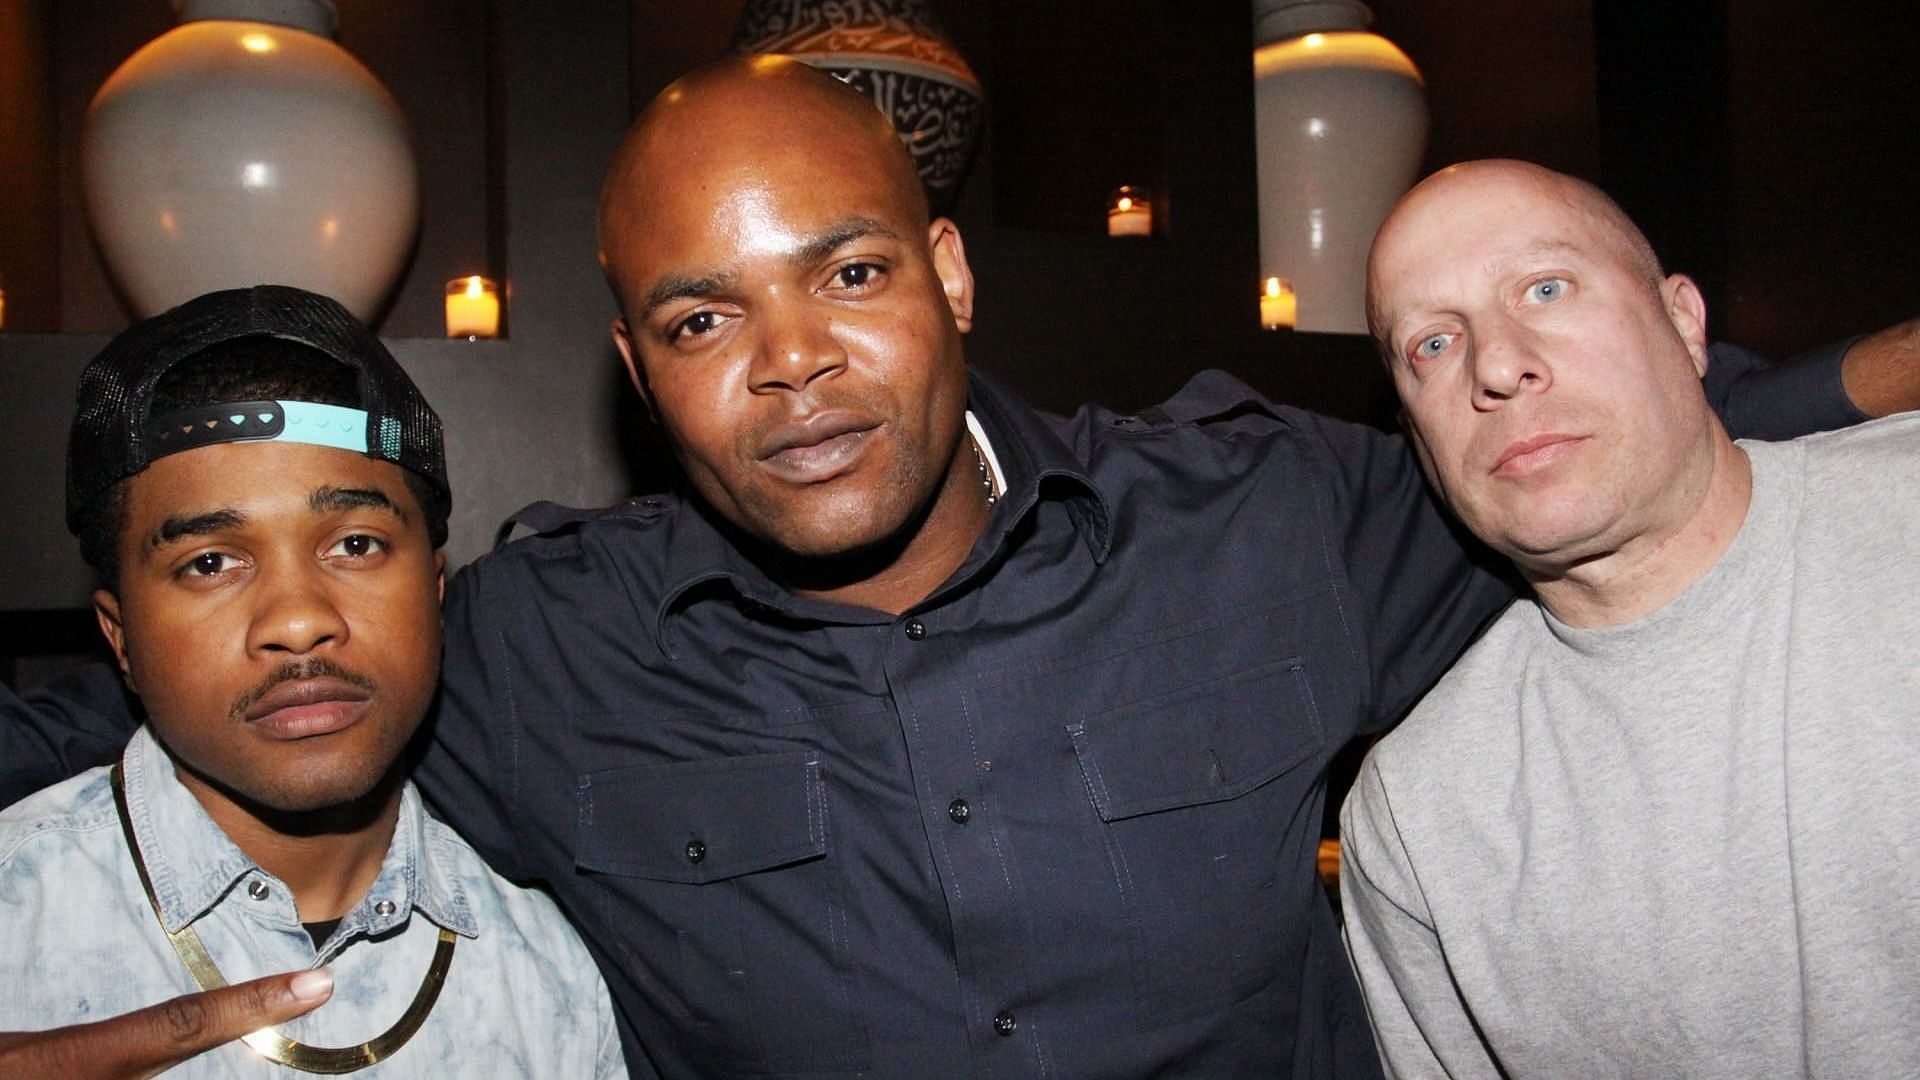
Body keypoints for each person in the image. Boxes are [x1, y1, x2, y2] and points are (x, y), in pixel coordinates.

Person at [1, 60, 1908, 1078]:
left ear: (951, 278)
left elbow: (1608, 430)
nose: (792, 362)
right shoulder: (538, 649)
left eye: (845, 272)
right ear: (638, 366)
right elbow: (149, 695)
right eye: (699, 315)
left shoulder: (1262, 517)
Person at [1340, 159, 1920, 1078]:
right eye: (1434, 345)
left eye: (1545, 287)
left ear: (1684, 322)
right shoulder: (1422, 816)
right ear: (1418, 433)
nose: (1496, 363)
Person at [0, 286, 627, 1078]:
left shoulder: (553, 975)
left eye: (356, 545)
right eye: (210, 562)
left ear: (436, 591)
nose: (298, 620)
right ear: (119, 637)